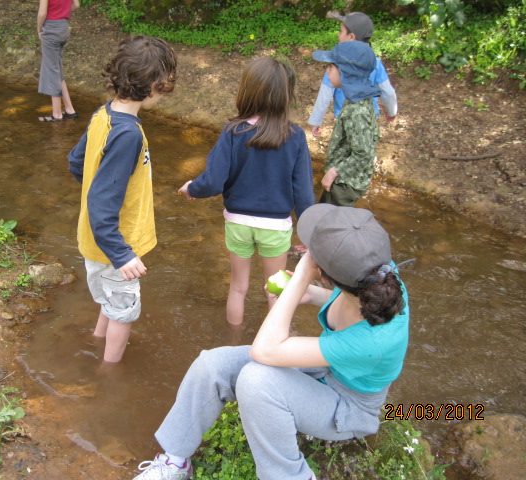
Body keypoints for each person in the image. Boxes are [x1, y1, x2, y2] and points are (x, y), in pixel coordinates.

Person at [134, 204, 410, 480]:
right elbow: (348, 305)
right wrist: (311, 294)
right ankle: (176, 461)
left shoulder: (373, 339)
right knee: (212, 364)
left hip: (349, 404)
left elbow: (264, 351)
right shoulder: (378, 276)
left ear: (325, 274)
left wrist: (301, 279)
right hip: (328, 366)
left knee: (257, 380)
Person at [178, 56, 314, 326]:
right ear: (286, 96)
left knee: (238, 289)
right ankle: (273, 350)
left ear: (247, 91)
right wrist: (310, 235)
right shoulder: (295, 136)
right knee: (275, 292)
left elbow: (214, 181)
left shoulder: (233, 132)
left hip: (238, 223)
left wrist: (192, 188)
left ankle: (232, 342)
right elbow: (304, 193)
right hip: (276, 226)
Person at [68, 35, 177, 363]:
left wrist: (96, 184)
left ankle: (96, 338)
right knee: (124, 312)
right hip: (116, 244)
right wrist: (122, 254)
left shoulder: (103, 115)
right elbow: (103, 203)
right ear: (155, 84)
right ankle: (109, 373)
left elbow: (76, 162)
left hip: (94, 239)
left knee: (111, 301)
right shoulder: (128, 135)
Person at [312, 41, 381, 207]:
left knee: (333, 227)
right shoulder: (356, 99)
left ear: (345, 72)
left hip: (345, 183)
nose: (327, 70)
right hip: (342, 180)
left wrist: (334, 172)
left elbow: (364, 153)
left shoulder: (357, 110)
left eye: (331, 66)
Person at [308, 11, 397, 138]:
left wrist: (316, 121)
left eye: (341, 32)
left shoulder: (337, 62)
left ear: (351, 37)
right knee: (366, 145)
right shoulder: (374, 62)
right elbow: (388, 91)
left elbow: (325, 94)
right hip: (369, 116)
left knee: (347, 147)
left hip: (344, 119)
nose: (338, 35)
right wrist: (392, 111)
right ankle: (371, 157)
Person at [37, 0, 80, 122]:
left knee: (52, 71)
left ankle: (57, 114)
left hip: (50, 29)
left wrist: (39, 29)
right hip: (63, 27)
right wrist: (62, 14)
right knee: (57, 70)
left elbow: (42, 13)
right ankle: (70, 109)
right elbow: (76, 5)